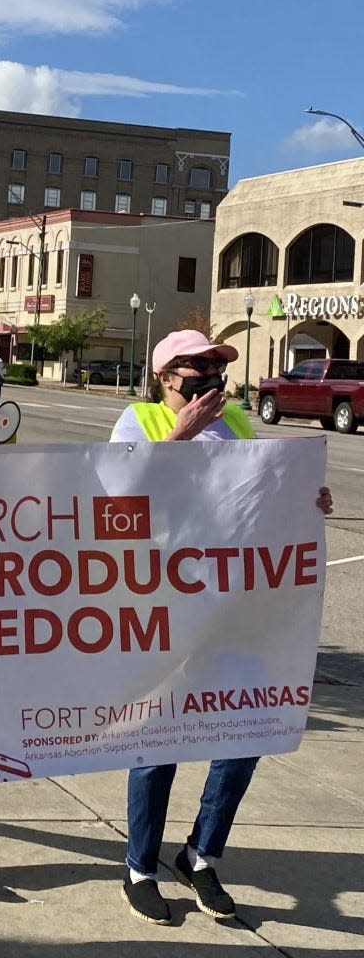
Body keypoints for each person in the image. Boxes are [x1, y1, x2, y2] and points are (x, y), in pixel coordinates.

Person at [111, 327, 332, 926]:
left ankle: (201, 854)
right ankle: (139, 868)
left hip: (234, 603)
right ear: (165, 376)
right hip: (165, 605)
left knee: (246, 729)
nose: (210, 375)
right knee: (158, 741)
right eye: (195, 366)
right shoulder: (139, 422)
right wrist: (181, 435)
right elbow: (120, 500)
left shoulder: (236, 423)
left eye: (217, 364)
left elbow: (259, 497)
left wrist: (307, 502)